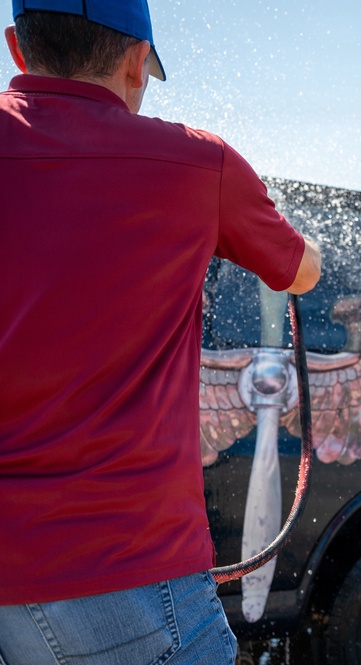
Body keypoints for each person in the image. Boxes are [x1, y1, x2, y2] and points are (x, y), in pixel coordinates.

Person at [0, 0, 322, 662]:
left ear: (18, 48)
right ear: (136, 61)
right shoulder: (197, 165)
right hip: (125, 574)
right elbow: (303, 271)